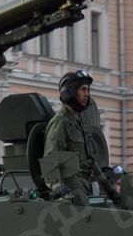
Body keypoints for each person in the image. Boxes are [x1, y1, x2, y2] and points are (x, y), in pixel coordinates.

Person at [42, 70, 104, 202]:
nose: (87, 94)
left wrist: (109, 188)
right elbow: (50, 163)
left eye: (88, 90)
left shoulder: (79, 121)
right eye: (83, 89)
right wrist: (60, 190)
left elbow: (90, 161)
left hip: (87, 190)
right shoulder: (60, 122)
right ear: (69, 92)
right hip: (75, 194)